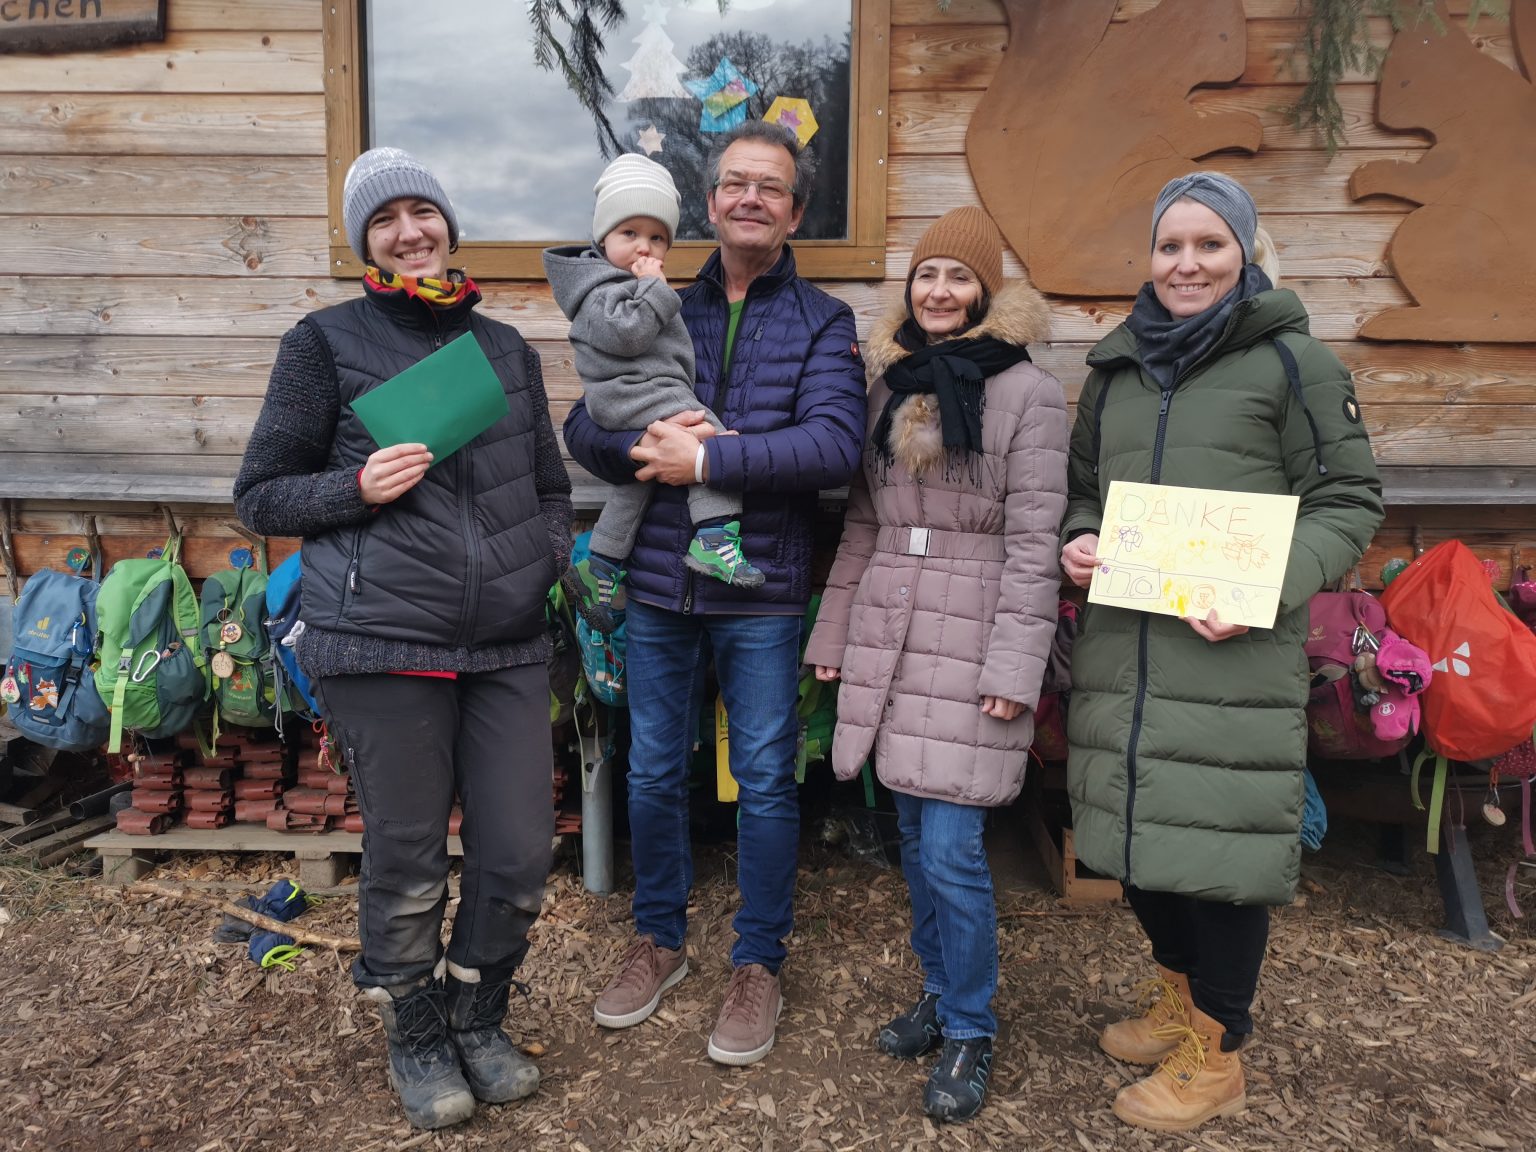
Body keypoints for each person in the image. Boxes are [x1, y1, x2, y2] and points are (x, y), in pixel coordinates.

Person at [234, 147, 572, 1131]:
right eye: (386, 220)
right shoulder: (325, 343)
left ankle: (479, 1008)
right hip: (381, 639)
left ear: (450, 226)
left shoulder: (507, 350)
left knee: (516, 852)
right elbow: (259, 494)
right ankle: (416, 1029)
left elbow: (550, 487)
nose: (410, 230)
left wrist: (543, 558)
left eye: (424, 211)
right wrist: (355, 486)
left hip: (505, 643)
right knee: (411, 853)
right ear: (363, 242)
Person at [1059, 172, 1383, 1133]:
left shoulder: (1295, 365)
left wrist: (1268, 588)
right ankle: (1177, 1000)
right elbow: (1086, 493)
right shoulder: (1115, 370)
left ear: (1245, 252)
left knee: (1221, 855)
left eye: (1209, 244)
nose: (1186, 264)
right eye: (1170, 246)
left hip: (1232, 659)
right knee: (1139, 849)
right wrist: (1078, 542)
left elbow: (1349, 502)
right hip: (1129, 648)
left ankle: (1220, 1051)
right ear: (1149, 258)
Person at [562, 120, 867, 1066]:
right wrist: (646, 452)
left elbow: (833, 448)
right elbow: (584, 424)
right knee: (653, 770)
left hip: (761, 590)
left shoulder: (823, 320)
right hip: (659, 586)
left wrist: (712, 455)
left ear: (795, 212)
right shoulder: (655, 298)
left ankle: (758, 960)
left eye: (769, 188)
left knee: (768, 781)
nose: (749, 199)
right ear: (710, 200)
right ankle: (659, 939)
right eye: (735, 183)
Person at [804, 206, 1067, 1121]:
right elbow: (864, 524)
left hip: (976, 629)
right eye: (927, 278)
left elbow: (1036, 546)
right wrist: (833, 637)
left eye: (959, 278)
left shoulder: (1029, 395)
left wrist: (1013, 668)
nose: (941, 293)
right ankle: (938, 990)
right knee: (914, 840)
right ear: (910, 290)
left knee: (954, 848)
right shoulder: (888, 387)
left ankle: (971, 1025)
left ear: (988, 292)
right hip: (893, 625)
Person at [544, 154, 765, 634]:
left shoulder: (629, 284)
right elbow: (627, 335)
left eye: (657, 237)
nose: (645, 247)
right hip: (629, 395)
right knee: (710, 436)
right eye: (630, 234)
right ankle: (712, 537)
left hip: (642, 393)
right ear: (603, 240)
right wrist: (657, 290)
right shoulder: (597, 289)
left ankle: (600, 561)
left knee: (640, 478)